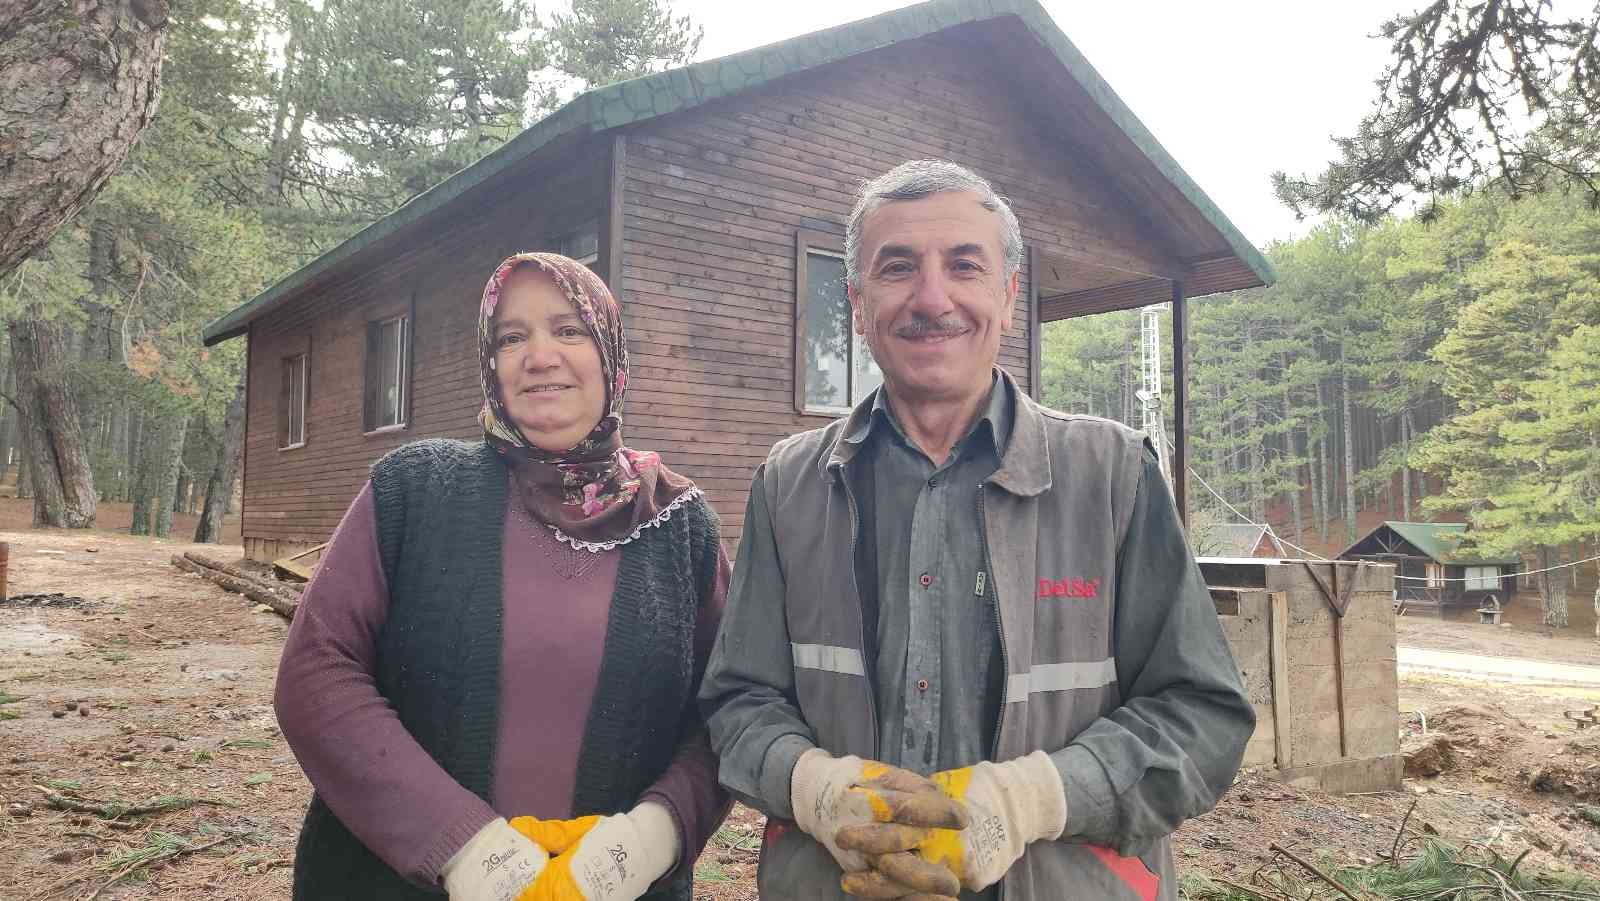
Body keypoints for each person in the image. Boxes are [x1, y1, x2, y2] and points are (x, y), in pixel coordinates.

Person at [699, 160, 1254, 901]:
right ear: (858, 306)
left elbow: (1202, 716)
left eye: (964, 265)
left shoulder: (1113, 475)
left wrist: (1038, 797)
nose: (933, 298)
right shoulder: (788, 485)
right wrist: (813, 786)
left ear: (1008, 293)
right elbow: (739, 703)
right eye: (897, 269)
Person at [275, 253, 730, 901]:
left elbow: (726, 710)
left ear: (609, 351)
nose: (540, 355)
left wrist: (655, 833)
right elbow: (315, 675)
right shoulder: (414, 491)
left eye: (568, 329)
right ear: (490, 362)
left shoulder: (680, 524)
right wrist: (461, 844)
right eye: (512, 336)